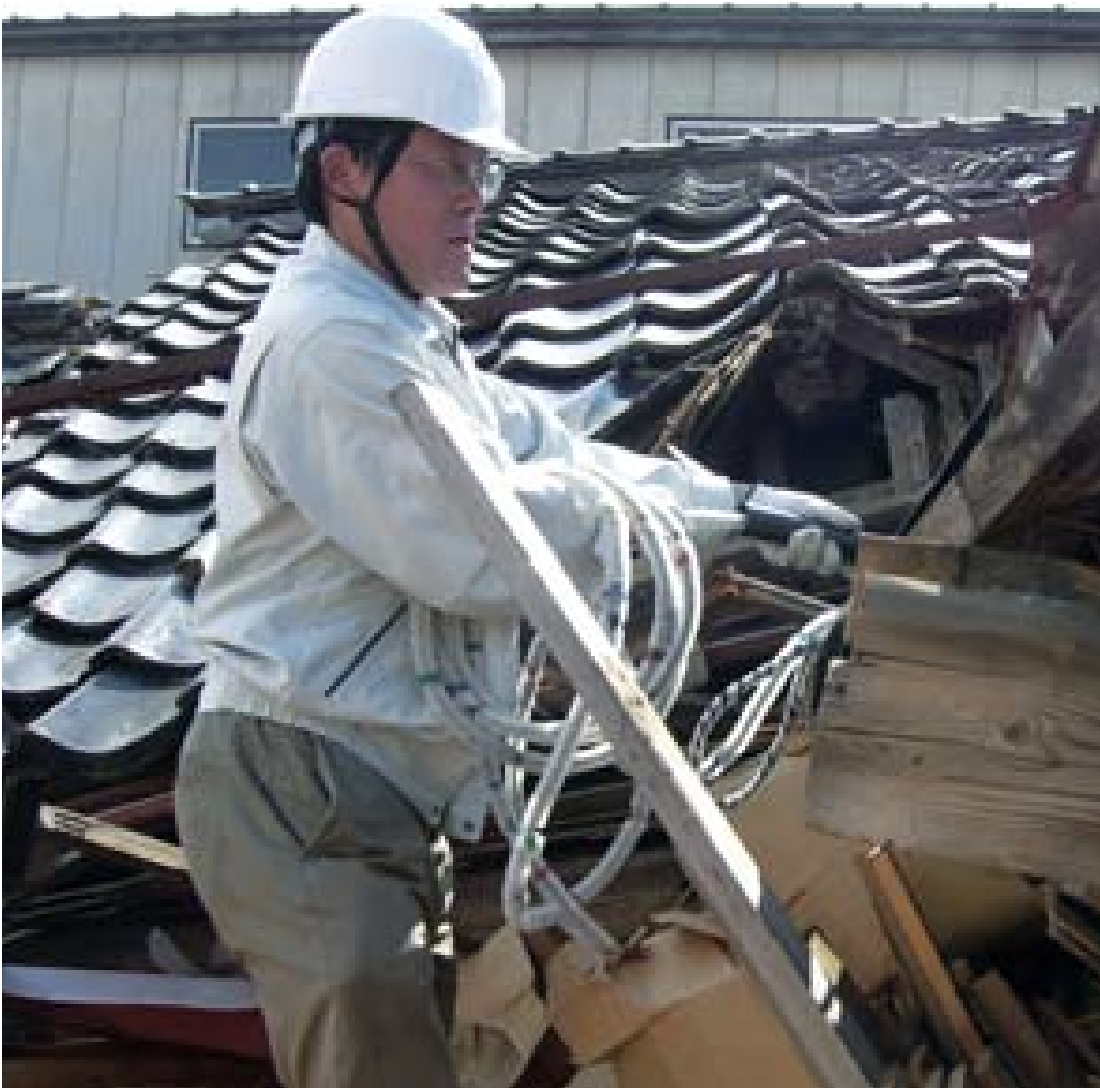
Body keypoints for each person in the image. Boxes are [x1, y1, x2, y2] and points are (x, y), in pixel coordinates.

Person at [173, 7, 859, 1086]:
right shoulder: (328, 342)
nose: (474, 202)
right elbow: (479, 538)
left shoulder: (401, 330)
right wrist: (696, 519)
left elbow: (550, 450)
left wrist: (738, 500)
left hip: (362, 786)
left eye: (481, 173)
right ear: (347, 169)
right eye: (447, 169)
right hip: (300, 780)